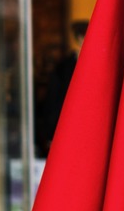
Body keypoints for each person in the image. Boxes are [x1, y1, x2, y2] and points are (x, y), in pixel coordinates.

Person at [36, 19, 87, 157]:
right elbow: (54, 102)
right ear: (78, 39)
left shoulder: (101, 67)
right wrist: (52, 135)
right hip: (67, 129)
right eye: (82, 37)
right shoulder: (63, 68)